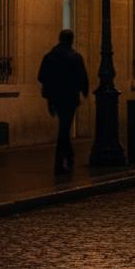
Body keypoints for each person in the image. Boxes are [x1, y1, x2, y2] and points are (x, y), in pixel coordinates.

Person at [37, 29, 90, 174]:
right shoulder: (75, 57)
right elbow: (82, 77)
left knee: (64, 128)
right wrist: (84, 91)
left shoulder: (50, 56)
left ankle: (68, 157)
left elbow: (41, 76)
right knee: (64, 128)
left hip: (54, 97)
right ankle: (60, 163)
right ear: (71, 40)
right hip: (70, 97)